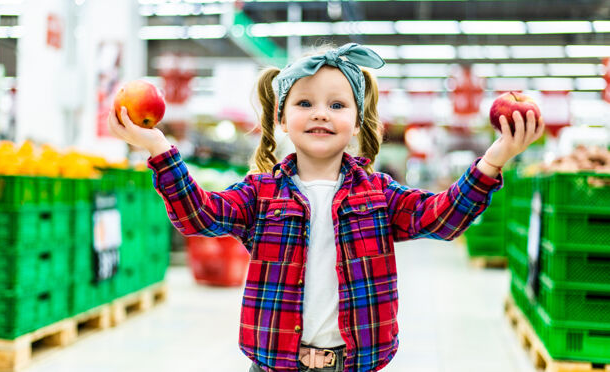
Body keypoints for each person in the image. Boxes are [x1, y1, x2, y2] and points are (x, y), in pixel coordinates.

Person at [108, 43, 544, 372]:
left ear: (357, 120)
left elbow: (441, 218)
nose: (321, 114)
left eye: (337, 104)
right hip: (274, 362)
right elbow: (197, 215)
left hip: (357, 363)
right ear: (281, 118)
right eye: (304, 103)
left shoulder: (379, 194)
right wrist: (159, 149)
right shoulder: (260, 194)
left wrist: (495, 159)